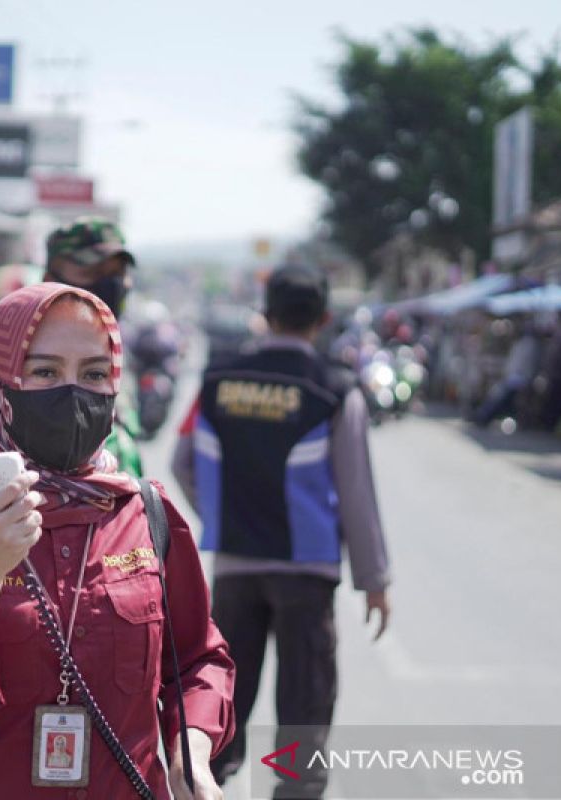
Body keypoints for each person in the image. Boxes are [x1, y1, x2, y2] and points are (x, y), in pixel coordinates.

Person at [0, 283, 235, 799]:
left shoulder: (147, 512)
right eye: (44, 372)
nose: (73, 394)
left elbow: (197, 660)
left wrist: (190, 757)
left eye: (93, 374)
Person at [172, 264, 392, 798]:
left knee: (222, 708)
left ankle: (211, 786)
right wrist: (374, 580)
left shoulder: (217, 381)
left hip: (236, 571)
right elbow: (357, 492)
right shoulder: (335, 388)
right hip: (306, 575)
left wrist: (221, 516)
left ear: (266, 315)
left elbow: (182, 463)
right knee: (303, 712)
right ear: (323, 318)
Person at [43, 217, 145, 475]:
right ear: (49, 279)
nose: (109, 285)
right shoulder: (30, 357)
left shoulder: (114, 348)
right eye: (92, 273)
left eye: (117, 274)